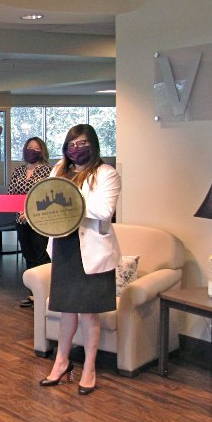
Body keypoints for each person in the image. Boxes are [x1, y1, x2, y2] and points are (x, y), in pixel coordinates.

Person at [39, 124, 121, 395]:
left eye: (83, 143)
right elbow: (46, 202)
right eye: (72, 144)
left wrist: (70, 198)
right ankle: (61, 362)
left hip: (92, 250)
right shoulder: (58, 170)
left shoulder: (106, 173)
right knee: (66, 310)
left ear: (93, 145)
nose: (77, 148)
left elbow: (104, 209)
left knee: (88, 312)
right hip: (64, 246)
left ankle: (89, 367)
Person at [7, 136, 52, 307]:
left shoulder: (47, 170)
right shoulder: (18, 171)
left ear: (42, 151)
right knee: (29, 256)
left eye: (36, 148)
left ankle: (47, 294)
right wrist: (20, 211)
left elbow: (48, 194)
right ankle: (33, 294)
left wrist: (31, 211)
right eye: (29, 147)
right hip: (20, 220)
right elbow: (12, 193)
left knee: (41, 255)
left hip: (39, 220)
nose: (32, 150)